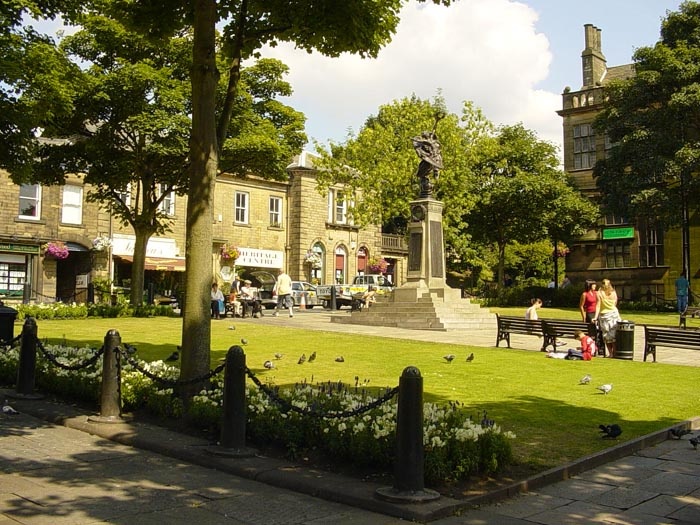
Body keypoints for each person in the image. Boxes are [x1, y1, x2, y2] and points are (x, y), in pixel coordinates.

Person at [592, 279, 621, 358]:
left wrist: (595, 317)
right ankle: (615, 353)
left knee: (606, 335)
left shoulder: (599, 293)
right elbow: (615, 303)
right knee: (614, 335)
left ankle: (611, 353)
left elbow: (598, 305)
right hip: (614, 314)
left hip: (604, 315)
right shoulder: (613, 293)